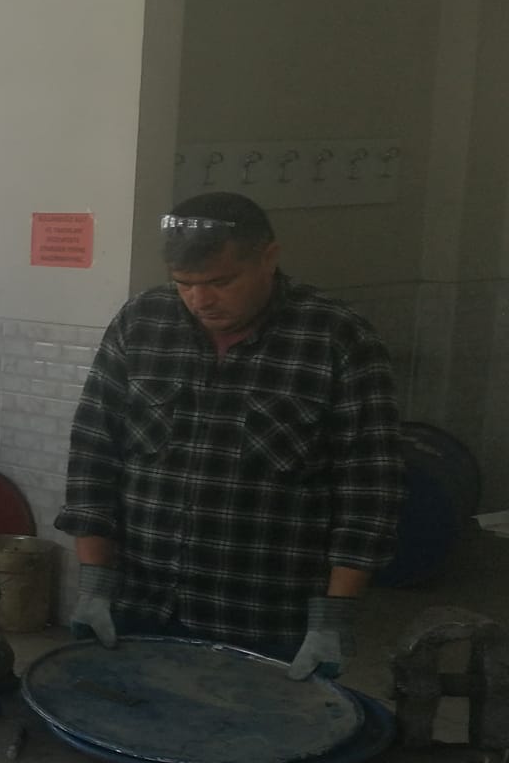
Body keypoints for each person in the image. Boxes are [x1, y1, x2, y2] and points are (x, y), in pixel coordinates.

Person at [57, 193, 402, 680]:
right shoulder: (141, 323)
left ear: (268, 257)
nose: (201, 300)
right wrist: (95, 584)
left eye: (220, 282)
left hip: (267, 620)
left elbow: (370, 491)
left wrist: (334, 617)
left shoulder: (337, 339)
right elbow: (93, 454)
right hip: (142, 606)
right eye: (184, 284)